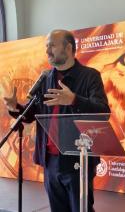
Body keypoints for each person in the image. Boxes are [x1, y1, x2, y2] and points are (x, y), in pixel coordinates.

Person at [3, 29, 110, 212]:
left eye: (52, 45)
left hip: (78, 160)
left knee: (81, 209)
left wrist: (74, 99)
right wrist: (16, 107)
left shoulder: (90, 76)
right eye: (46, 46)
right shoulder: (46, 78)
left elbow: (102, 112)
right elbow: (31, 114)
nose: (47, 51)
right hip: (50, 161)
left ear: (68, 48)